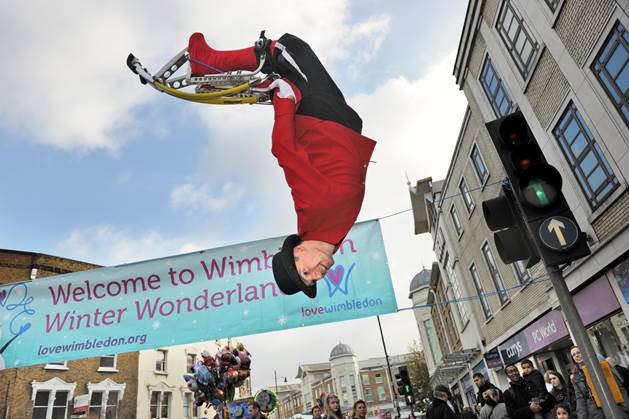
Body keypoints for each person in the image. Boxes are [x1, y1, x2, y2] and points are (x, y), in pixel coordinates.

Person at [188, 32, 376, 299]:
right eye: (313, 280)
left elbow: (284, 150)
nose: (317, 275)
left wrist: (285, 104)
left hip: (321, 117)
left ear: (299, 251)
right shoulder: (330, 240)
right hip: (341, 126)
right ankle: (273, 84)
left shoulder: (315, 209)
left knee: (286, 50)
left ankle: (204, 61)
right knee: (287, 61)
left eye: (306, 272)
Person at [569, 346, 629, 418]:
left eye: (578, 352)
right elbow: (580, 399)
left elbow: (618, 387)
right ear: (573, 359)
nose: (577, 355)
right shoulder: (576, 378)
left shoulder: (601, 366)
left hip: (613, 406)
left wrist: (626, 408)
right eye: (574, 355)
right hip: (596, 414)